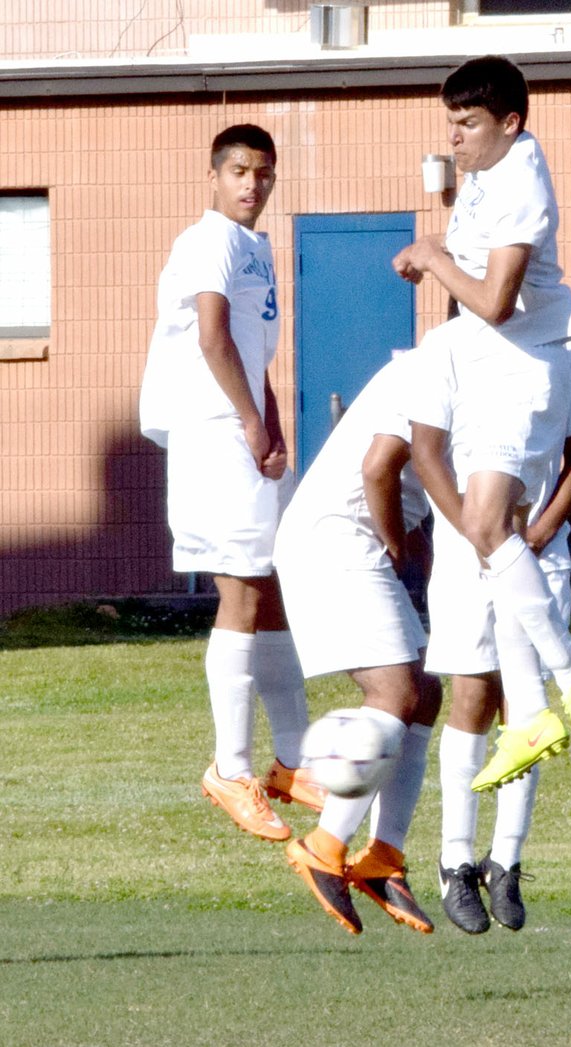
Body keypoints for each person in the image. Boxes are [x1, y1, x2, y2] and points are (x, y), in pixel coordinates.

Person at [392, 55, 571, 791]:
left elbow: (493, 300)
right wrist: (430, 253)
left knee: (486, 523)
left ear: (510, 123)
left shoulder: (521, 179)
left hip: (533, 363)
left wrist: (430, 254)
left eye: (467, 124)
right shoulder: (487, 171)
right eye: (448, 122)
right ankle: (531, 717)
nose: (454, 138)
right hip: (494, 365)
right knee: (495, 535)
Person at [139, 124, 323, 845]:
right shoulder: (207, 239)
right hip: (211, 430)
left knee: (272, 584)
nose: (252, 184)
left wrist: (272, 425)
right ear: (214, 175)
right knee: (242, 591)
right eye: (240, 170)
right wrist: (249, 421)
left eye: (264, 173)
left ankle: (292, 762)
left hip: (243, 430)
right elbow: (213, 337)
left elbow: (252, 350)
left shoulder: (258, 248)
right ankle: (230, 767)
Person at [274, 353, 442, 937]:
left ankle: (382, 858)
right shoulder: (442, 365)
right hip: (338, 538)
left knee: (424, 693)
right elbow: (377, 470)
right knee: (394, 693)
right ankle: (324, 847)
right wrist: (399, 548)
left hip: (359, 537)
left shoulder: (472, 363)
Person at [431, 428, 571, 934]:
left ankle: (505, 860)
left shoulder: (564, 353)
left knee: (527, 712)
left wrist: (537, 537)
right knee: (473, 695)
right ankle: (454, 860)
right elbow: (424, 453)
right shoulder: (449, 354)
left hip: (540, 553)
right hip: (466, 556)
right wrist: (476, 533)